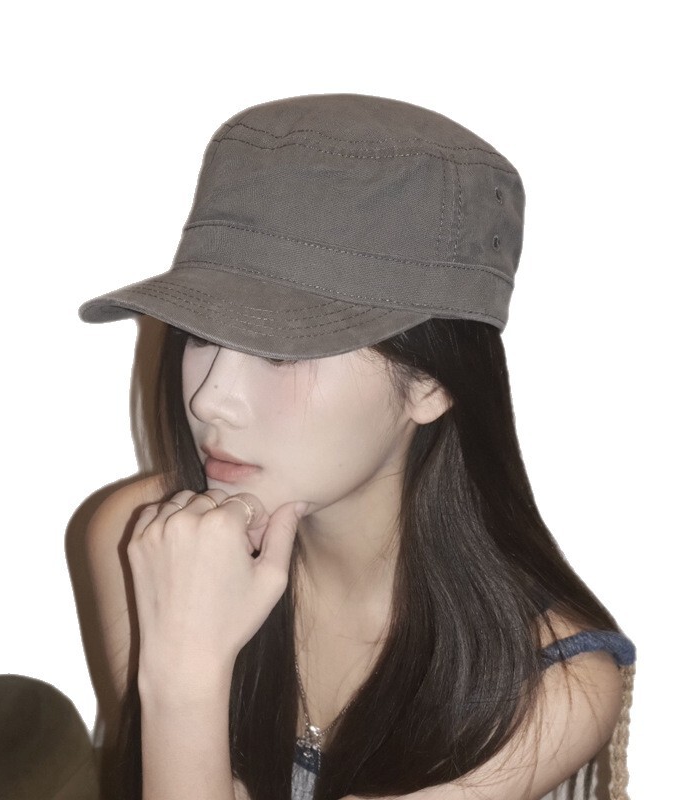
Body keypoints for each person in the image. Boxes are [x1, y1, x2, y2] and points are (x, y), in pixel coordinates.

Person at [77, 94, 635, 800]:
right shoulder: (145, 538)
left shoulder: (550, 686)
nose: (211, 399)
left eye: (280, 352)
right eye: (201, 335)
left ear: (431, 382)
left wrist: (185, 672)